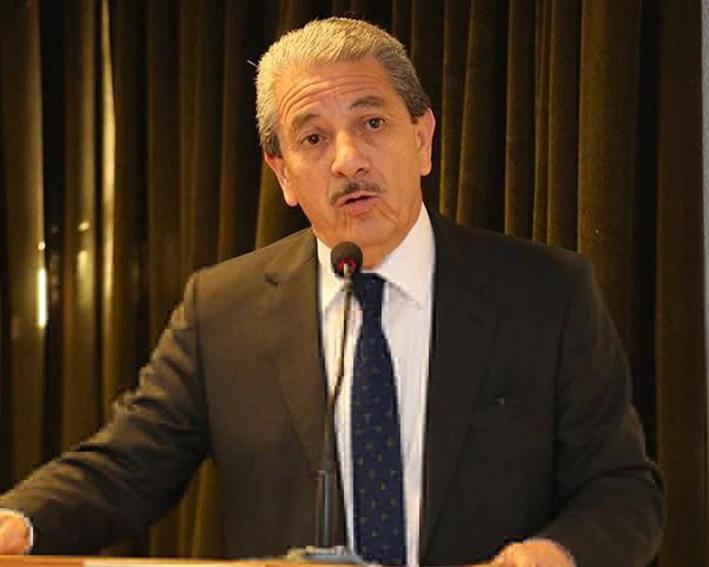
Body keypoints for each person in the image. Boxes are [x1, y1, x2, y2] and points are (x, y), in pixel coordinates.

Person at [0, 17, 662, 566]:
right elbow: (127, 465)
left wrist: (551, 554)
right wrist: (20, 518)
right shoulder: (223, 309)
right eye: (313, 138)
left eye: (371, 123)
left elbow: (622, 488)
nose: (348, 159)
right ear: (283, 175)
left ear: (422, 139)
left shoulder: (545, 293)